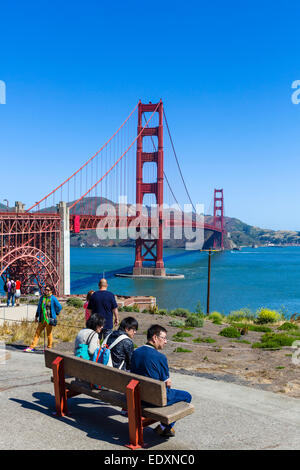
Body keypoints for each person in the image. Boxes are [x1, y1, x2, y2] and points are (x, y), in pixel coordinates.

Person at [130, 324, 192, 438]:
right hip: (154, 400)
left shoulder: (135, 352)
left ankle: (165, 428)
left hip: (136, 396)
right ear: (154, 338)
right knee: (187, 396)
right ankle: (164, 427)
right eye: (163, 338)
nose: (166, 341)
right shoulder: (160, 357)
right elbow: (168, 383)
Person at [24, 286, 62, 352]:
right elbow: (39, 308)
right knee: (37, 333)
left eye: (48, 290)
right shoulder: (42, 298)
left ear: (51, 291)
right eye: (45, 289)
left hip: (49, 319)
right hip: (42, 319)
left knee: (49, 334)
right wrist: (36, 317)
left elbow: (59, 307)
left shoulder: (53, 298)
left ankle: (49, 348)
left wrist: (56, 313)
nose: (46, 291)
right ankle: (32, 347)